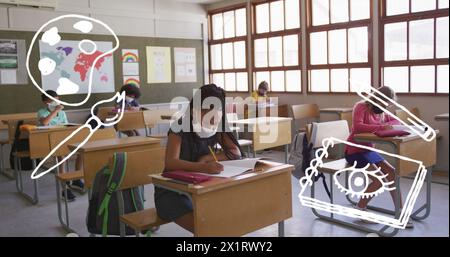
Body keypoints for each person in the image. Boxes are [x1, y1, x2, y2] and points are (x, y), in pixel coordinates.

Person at [154, 84, 243, 232]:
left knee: (228, 218)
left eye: (216, 112)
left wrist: (207, 158)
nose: (211, 118)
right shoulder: (180, 126)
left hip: (202, 189)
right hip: (172, 192)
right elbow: (171, 163)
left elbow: (235, 152)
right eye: (205, 111)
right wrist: (203, 167)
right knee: (206, 229)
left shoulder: (216, 125)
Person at [345, 86, 413, 228]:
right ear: (377, 99)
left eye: (387, 105)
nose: (385, 107)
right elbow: (358, 127)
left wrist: (386, 124)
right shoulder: (361, 106)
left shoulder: (382, 111)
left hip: (368, 151)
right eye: (383, 104)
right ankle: (360, 209)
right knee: (379, 180)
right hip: (354, 151)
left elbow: (396, 122)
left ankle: (399, 212)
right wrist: (382, 127)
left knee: (392, 173)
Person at [37, 90, 84, 201]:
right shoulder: (42, 112)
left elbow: (65, 126)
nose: (55, 103)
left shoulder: (62, 113)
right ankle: (64, 187)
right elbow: (45, 123)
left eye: (57, 100)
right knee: (61, 156)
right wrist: (55, 111)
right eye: (52, 101)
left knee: (82, 151)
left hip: (62, 140)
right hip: (47, 141)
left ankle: (76, 179)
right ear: (45, 102)